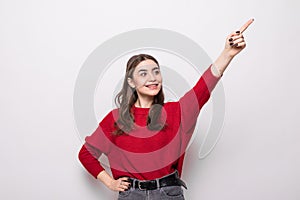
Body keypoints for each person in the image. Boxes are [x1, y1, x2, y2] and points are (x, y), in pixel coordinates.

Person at [78, 19, 254, 199]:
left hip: (168, 193)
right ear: (131, 82)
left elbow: (204, 86)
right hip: (132, 195)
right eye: (143, 73)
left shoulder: (177, 111)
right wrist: (110, 182)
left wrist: (227, 53)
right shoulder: (115, 119)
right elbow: (86, 154)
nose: (152, 78)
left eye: (156, 71)